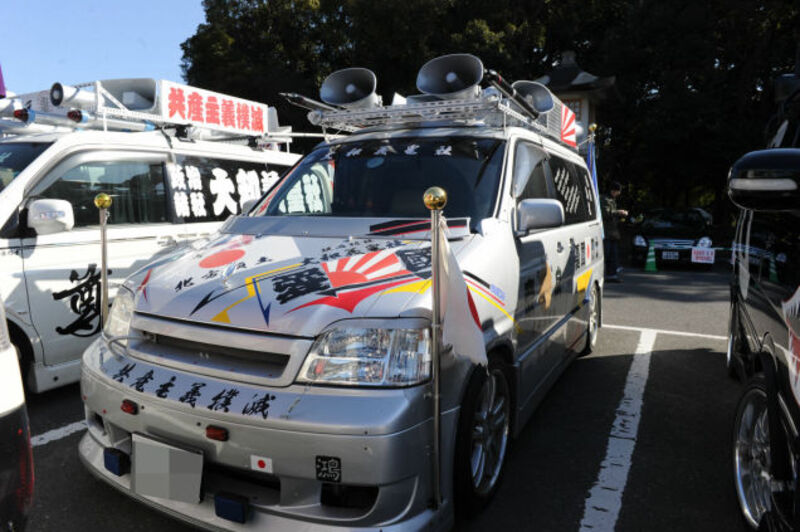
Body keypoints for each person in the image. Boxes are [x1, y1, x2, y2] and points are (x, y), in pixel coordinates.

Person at [601, 181, 628, 282]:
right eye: (618, 191)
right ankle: (603, 275)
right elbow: (606, 213)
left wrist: (621, 217)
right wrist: (619, 212)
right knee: (606, 254)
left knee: (613, 254)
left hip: (613, 232)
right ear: (613, 190)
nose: (619, 194)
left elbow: (612, 215)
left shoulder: (612, 200)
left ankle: (612, 276)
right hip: (606, 232)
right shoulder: (604, 199)